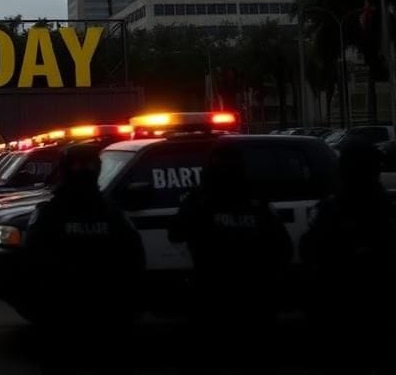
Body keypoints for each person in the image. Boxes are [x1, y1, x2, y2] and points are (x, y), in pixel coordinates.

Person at [169, 142, 292, 373]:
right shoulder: (252, 202)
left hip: (221, 297)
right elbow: (282, 249)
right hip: (245, 298)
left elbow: (175, 233)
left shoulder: (203, 201)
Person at [24, 143, 144, 374]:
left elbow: (133, 261)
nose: (83, 170)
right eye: (78, 165)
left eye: (87, 165)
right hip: (69, 314)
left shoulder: (108, 214)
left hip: (96, 314)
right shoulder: (108, 214)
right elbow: (33, 263)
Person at [300, 137, 396, 374]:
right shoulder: (382, 207)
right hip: (361, 308)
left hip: (345, 308)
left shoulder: (335, 208)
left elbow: (309, 250)